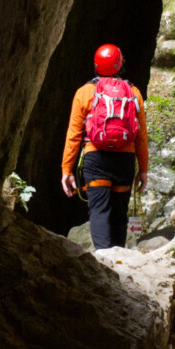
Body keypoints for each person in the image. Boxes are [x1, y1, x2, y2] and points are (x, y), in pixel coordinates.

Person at [60, 44, 149, 249]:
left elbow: (73, 135)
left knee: (99, 211)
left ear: (96, 65)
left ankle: (104, 261)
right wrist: (143, 170)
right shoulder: (133, 92)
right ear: (120, 65)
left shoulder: (84, 92)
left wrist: (67, 169)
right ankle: (119, 260)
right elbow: (141, 137)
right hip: (125, 160)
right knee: (119, 214)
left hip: (95, 158)